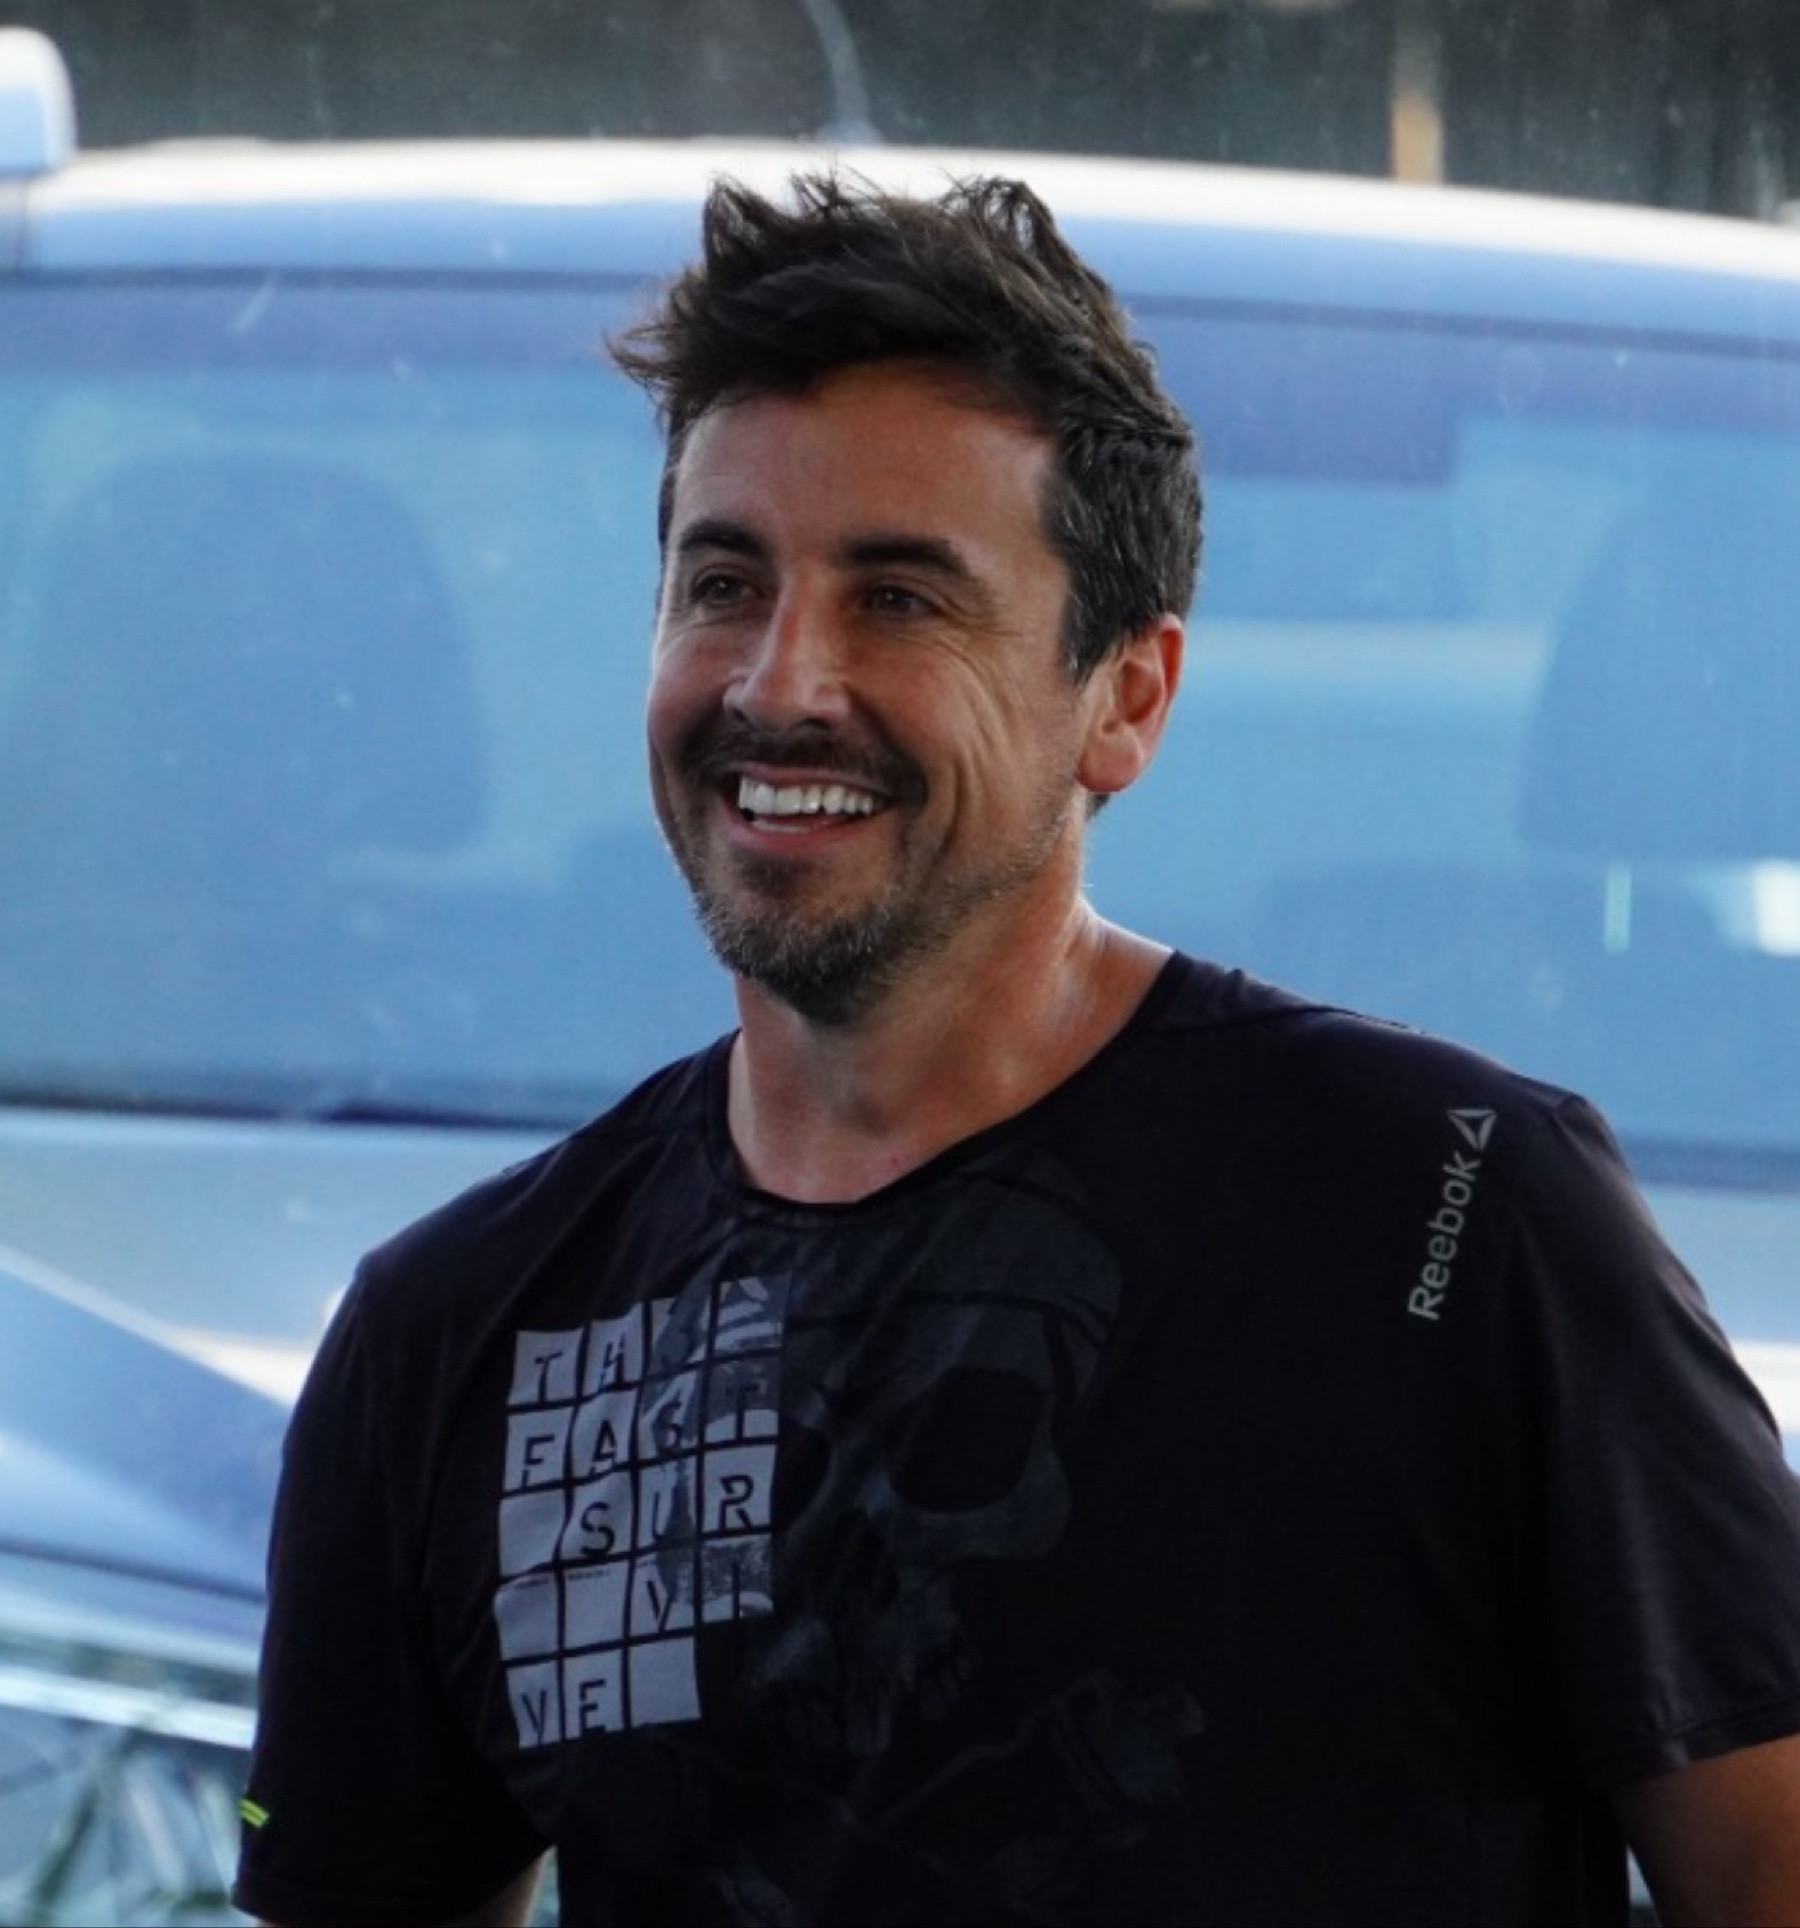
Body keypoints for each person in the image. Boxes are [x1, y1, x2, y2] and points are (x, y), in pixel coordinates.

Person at [233, 172, 1800, 1928]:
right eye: (724, 582)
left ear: (1127, 698)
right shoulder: (458, 1337)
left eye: (901, 599)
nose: (779, 683)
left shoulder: (1455, 1217)